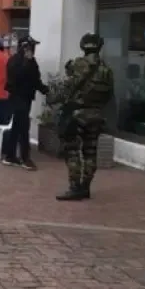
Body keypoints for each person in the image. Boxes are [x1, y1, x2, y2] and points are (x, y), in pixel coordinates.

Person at [53, 33, 115, 201]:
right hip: (96, 115)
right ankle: (85, 187)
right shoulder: (106, 69)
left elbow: (68, 88)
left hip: (77, 114)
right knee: (90, 152)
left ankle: (75, 187)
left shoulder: (79, 64)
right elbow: (109, 95)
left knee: (72, 150)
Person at [2, 36, 49, 170]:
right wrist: (27, 62)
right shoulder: (15, 61)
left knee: (17, 127)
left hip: (27, 97)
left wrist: (46, 90)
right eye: (31, 47)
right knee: (23, 127)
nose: (33, 50)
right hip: (17, 98)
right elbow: (15, 78)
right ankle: (25, 158)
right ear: (24, 48)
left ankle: (10, 156)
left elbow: (35, 79)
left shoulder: (31, 61)